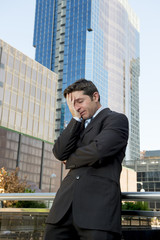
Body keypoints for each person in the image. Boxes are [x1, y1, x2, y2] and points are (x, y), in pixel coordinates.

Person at [44, 79, 129, 240]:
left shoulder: (116, 119)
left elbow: (98, 151)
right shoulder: (77, 126)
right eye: (72, 104)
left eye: (79, 101)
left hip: (97, 210)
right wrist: (75, 120)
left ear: (95, 96)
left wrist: (70, 160)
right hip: (62, 211)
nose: (76, 108)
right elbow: (59, 152)